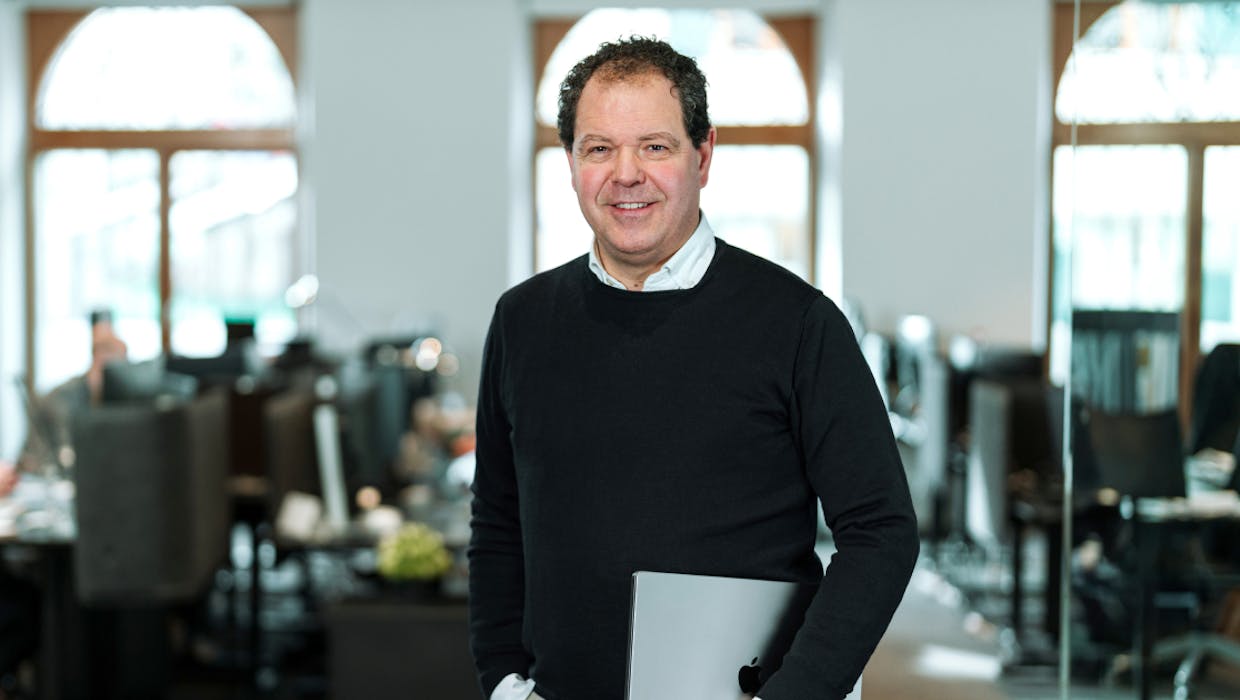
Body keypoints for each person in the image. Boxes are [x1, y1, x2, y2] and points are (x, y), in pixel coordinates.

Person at [468, 37, 919, 700]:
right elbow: (497, 518)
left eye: (654, 146)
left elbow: (881, 530)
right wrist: (503, 678)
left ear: (703, 154)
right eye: (599, 148)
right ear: (570, 163)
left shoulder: (798, 323)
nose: (627, 173)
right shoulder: (522, 321)